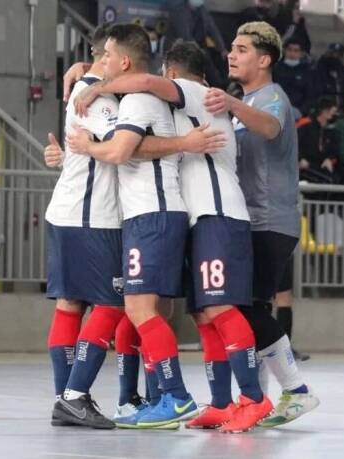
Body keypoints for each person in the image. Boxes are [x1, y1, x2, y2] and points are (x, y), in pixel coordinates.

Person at [71, 40, 274, 433]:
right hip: (198, 220)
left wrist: (95, 87)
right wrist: (84, 69)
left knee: (219, 309)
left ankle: (253, 397)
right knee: (203, 314)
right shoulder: (186, 108)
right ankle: (220, 403)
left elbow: (145, 82)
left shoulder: (197, 94)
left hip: (219, 214)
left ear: (173, 74)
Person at [65, 24, 203, 429]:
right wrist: (81, 73)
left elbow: (121, 150)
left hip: (152, 215)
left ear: (123, 62)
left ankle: (176, 396)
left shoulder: (140, 100)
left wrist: (87, 146)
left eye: (104, 56)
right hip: (154, 214)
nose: (98, 63)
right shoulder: (141, 97)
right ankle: (159, 396)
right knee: (148, 309)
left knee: (138, 308)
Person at [202, 21, 320, 427]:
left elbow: (269, 128)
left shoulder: (272, 98)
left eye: (241, 49)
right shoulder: (247, 101)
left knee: (246, 307)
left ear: (265, 59)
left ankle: (297, 390)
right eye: (230, 47)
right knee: (252, 307)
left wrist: (232, 104)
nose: (231, 54)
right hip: (248, 220)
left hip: (270, 219)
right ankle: (260, 398)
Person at [45, 24, 126, 430]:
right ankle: (75, 396)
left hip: (69, 210)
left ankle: (65, 400)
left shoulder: (87, 87)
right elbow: (120, 147)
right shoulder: (99, 96)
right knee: (112, 304)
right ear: (107, 53)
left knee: (70, 304)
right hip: (92, 216)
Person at [165, 0, 228, 87]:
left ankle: (220, 88)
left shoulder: (201, 9)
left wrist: (222, 48)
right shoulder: (178, 10)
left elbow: (212, 28)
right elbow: (185, 36)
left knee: (214, 72)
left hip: (199, 48)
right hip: (179, 50)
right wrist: (199, 52)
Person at [296, 96, 340, 185]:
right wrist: (300, 159)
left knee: (334, 178)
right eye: (333, 112)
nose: (335, 115)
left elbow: (335, 150)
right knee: (325, 180)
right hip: (306, 166)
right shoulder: (306, 127)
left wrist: (329, 159)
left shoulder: (333, 131)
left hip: (322, 166)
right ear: (324, 111)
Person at [273, 38, 314, 118]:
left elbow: (310, 94)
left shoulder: (307, 71)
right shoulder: (275, 69)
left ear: (301, 53)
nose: (292, 53)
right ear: (284, 51)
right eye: (290, 50)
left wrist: (302, 110)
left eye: (296, 50)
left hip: (298, 111)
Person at [312, 43, 344, 107]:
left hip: (342, 108)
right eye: (332, 54)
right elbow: (316, 93)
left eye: (338, 55)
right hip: (324, 108)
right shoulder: (318, 71)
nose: (334, 56)